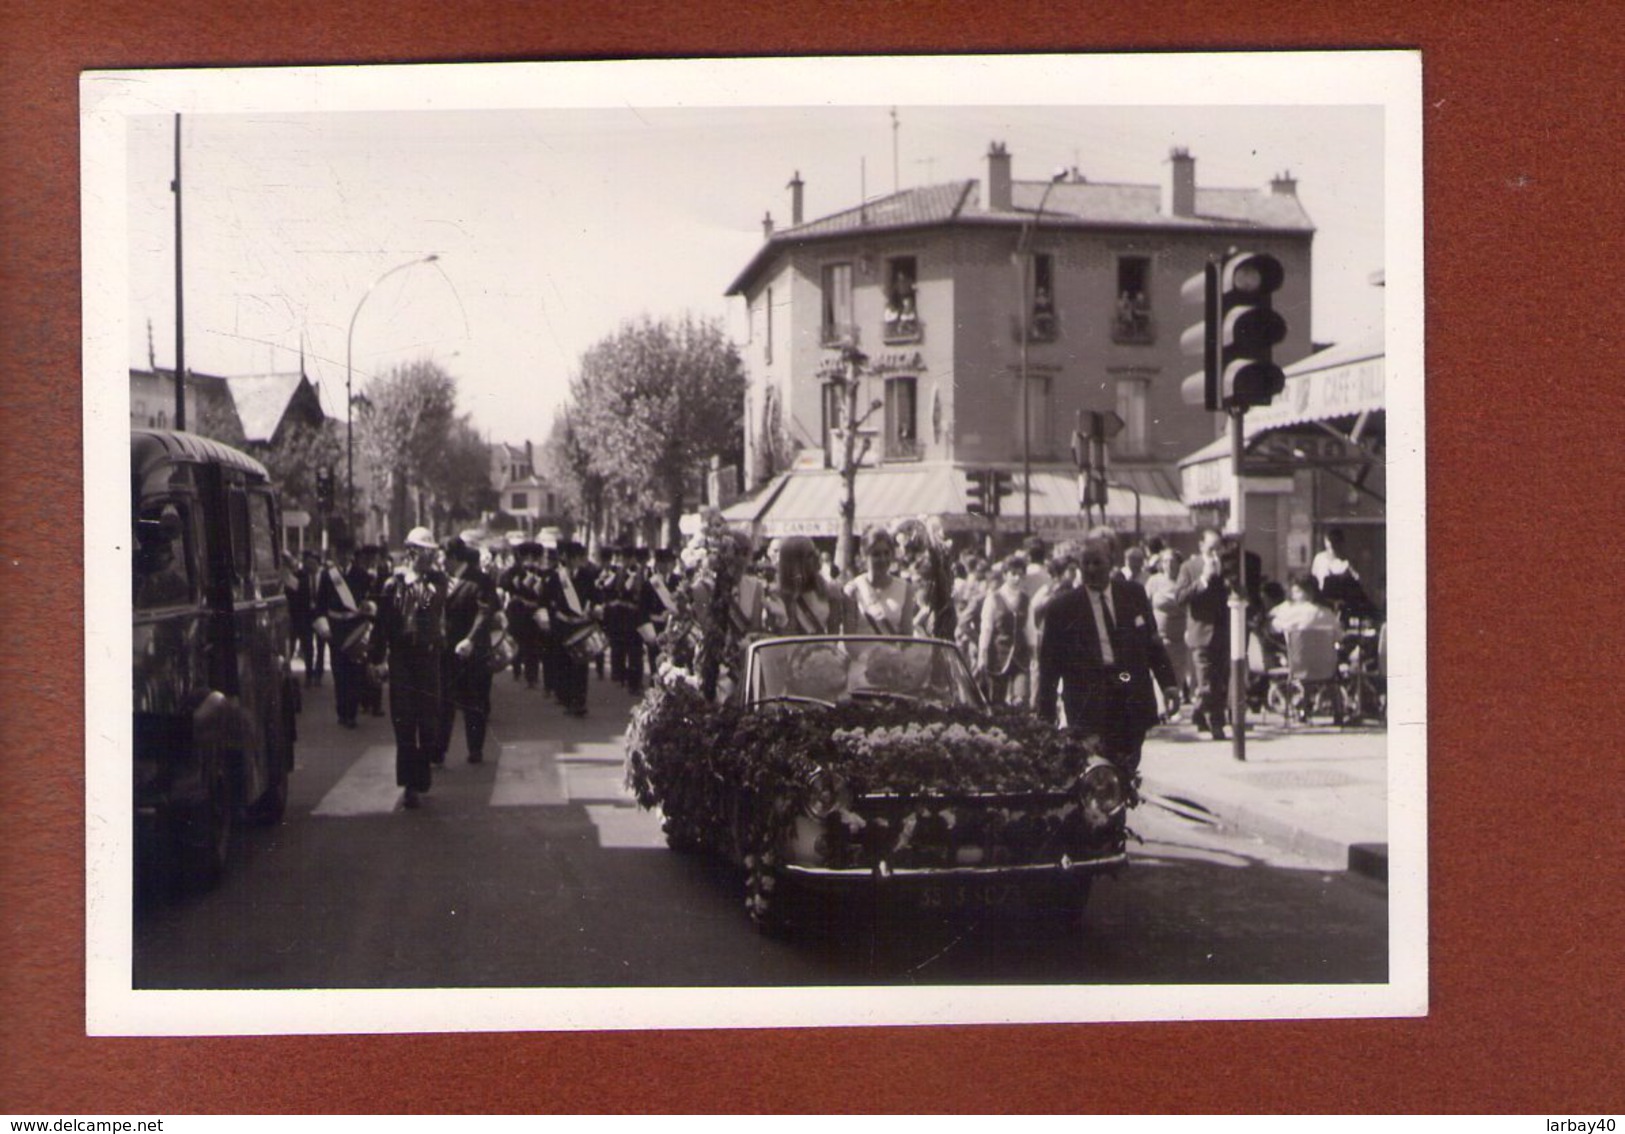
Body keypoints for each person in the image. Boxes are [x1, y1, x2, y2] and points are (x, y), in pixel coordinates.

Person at [1035, 537, 1179, 773]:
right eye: (1086, 564)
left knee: (1126, 769)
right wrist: (1046, 716)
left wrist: (1169, 684)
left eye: (1097, 563)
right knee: (1097, 774)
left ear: (1110, 563)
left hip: (1128, 688)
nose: (1091, 569)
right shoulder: (1062, 609)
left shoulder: (1133, 594)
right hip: (1089, 702)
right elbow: (1049, 667)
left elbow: (1152, 645)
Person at [366, 527, 448, 810]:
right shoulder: (392, 584)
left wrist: (416, 579)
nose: (430, 556)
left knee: (428, 721)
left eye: (432, 552)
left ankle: (421, 776)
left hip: (427, 657)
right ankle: (409, 784)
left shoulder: (437, 580)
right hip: (401, 657)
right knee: (403, 721)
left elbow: (430, 603)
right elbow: (382, 625)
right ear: (411, 552)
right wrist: (375, 658)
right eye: (424, 551)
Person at [435, 538, 498, 766]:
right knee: (443, 701)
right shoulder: (439, 580)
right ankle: (438, 751)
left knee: (473, 702)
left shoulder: (480, 580)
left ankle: (475, 749)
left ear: (453, 557)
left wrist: (470, 640)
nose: (440, 561)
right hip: (445, 650)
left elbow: (485, 612)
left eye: (442, 556)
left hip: (472, 652)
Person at [1173, 527, 1232, 740]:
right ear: (1200, 546)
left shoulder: (1228, 567)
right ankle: (1216, 723)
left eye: (1218, 548)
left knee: (1220, 680)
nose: (1215, 553)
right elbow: (1179, 598)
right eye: (1210, 549)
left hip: (1223, 633)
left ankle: (1199, 712)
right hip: (1200, 633)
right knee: (1206, 680)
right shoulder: (1189, 567)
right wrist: (1203, 581)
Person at [316, 541, 376, 730]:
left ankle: (352, 713)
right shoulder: (328, 575)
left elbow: (371, 599)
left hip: (355, 627)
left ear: (351, 554)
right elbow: (320, 603)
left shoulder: (362, 574)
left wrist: (369, 610)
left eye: (346, 553)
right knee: (339, 672)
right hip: (335, 628)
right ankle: (342, 711)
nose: (343, 556)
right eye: (339, 552)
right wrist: (323, 627)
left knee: (355, 671)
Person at [544, 540, 597, 717]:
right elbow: (546, 601)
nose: (578, 561)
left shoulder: (587, 575)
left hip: (581, 623)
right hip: (563, 624)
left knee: (581, 663)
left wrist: (592, 610)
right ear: (568, 558)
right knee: (564, 663)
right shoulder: (556, 577)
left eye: (580, 558)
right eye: (575, 558)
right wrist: (557, 615)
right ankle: (566, 698)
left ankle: (580, 701)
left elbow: (595, 596)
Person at [764, 535, 849, 636]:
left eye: (815, 552)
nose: (817, 557)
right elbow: (781, 637)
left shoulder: (830, 591)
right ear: (794, 562)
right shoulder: (776, 596)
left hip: (822, 649)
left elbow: (834, 634)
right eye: (810, 555)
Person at [977, 554, 1031, 706]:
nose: (1017, 578)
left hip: (1020, 656)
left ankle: (1020, 727)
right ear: (1005, 575)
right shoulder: (993, 598)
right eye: (1013, 574)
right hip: (999, 656)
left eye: (1020, 574)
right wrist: (983, 654)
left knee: (1021, 699)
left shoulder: (1025, 599)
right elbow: (986, 628)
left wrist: (1033, 653)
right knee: (997, 701)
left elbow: (1029, 628)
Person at [844, 525, 916, 635]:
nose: (883, 559)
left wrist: (893, 652)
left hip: (894, 651)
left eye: (886, 553)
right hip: (862, 652)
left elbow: (907, 638)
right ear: (865, 556)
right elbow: (849, 639)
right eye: (876, 554)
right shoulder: (853, 589)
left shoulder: (906, 589)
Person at [1144, 548, 1190, 706]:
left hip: (1180, 637)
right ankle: (1161, 707)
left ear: (1179, 563)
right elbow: (1145, 606)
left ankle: (1173, 704)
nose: (1169, 565)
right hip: (1160, 636)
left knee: (1177, 674)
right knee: (1159, 671)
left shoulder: (1184, 581)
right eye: (1165, 561)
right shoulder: (1154, 581)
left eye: (1172, 561)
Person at [501, 542, 548, 690]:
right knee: (518, 642)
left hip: (533, 611)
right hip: (517, 610)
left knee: (533, 645)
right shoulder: (513, 571)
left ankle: (531, 676)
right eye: (527, 556)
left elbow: (545, 591)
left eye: (533, 557)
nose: (530, 560)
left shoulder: (540, 572)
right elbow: (504, 584)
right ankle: (517, 669)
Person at [1270, 575, 1343, 637]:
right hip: (1325, 653)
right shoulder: (1327, 613)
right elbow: (1339, 635)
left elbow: (1273, 628)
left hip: (1296, 653)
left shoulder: (1288, 613)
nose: (1292, 596)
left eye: (1295, 592)